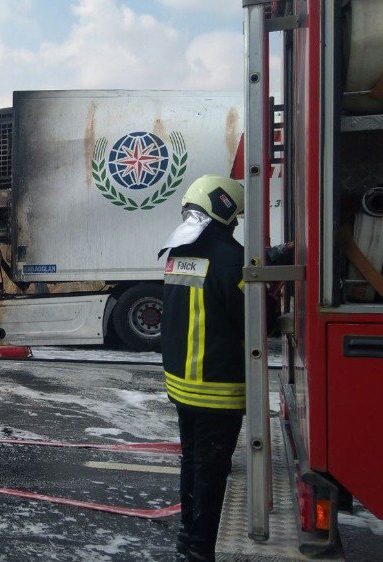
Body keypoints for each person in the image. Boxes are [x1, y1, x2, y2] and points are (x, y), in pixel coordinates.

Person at [159, 175, 250, 561]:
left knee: (193, 463)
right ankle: (200, 549)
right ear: (226, 210)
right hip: (217, 387)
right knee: (212, 471)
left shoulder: (178, 253)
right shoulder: (234, 258)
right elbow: (252, 317)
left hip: (182, 385)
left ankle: (188, 537)